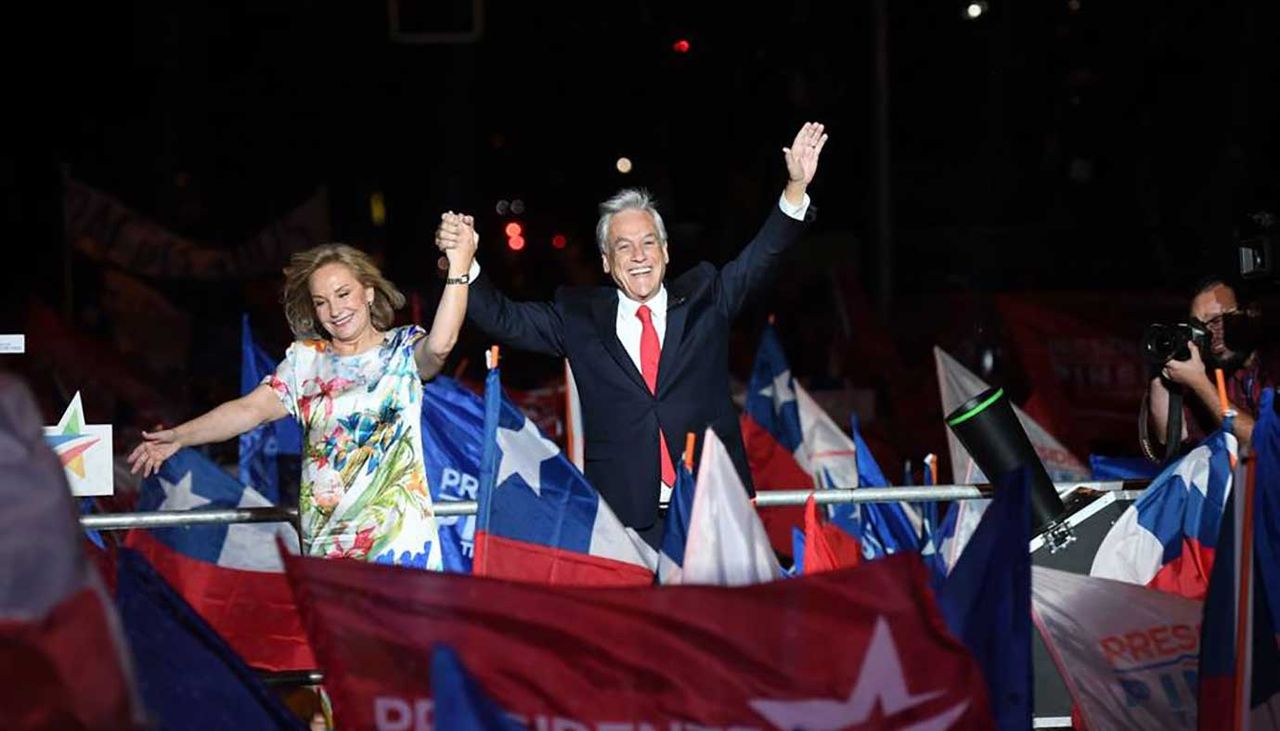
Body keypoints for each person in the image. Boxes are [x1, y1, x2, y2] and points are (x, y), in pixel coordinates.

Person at [440, 122, 827, 546]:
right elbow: (503, 319)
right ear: (607, 261)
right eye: (624, 247)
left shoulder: (706, 297)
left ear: (665, 251)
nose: (639, 256)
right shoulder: (579, 318)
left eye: (648, 243)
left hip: (712, 506)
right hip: (624, 520)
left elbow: (762, 257)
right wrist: (464, 264)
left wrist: (794, 189)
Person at [128, 227, 477, 568]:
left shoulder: (401, 351)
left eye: (343, 294)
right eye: (321, 302)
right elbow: (249, 410)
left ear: (368, 292)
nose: (334, 310)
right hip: (327, 549)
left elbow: (441, 343)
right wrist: (179, 436)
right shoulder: (305, 361)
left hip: (398, 546)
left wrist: (459, 265)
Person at [1141, 276, 1276, 458]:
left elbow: (1264, 443)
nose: (1210, 333)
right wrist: (1162, 363)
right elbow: (1170, 436)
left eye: (1217, 321)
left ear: (1251, 313)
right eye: (1199, 326)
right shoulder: (1215, 372)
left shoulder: (1272, 366)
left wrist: (1200, 384)